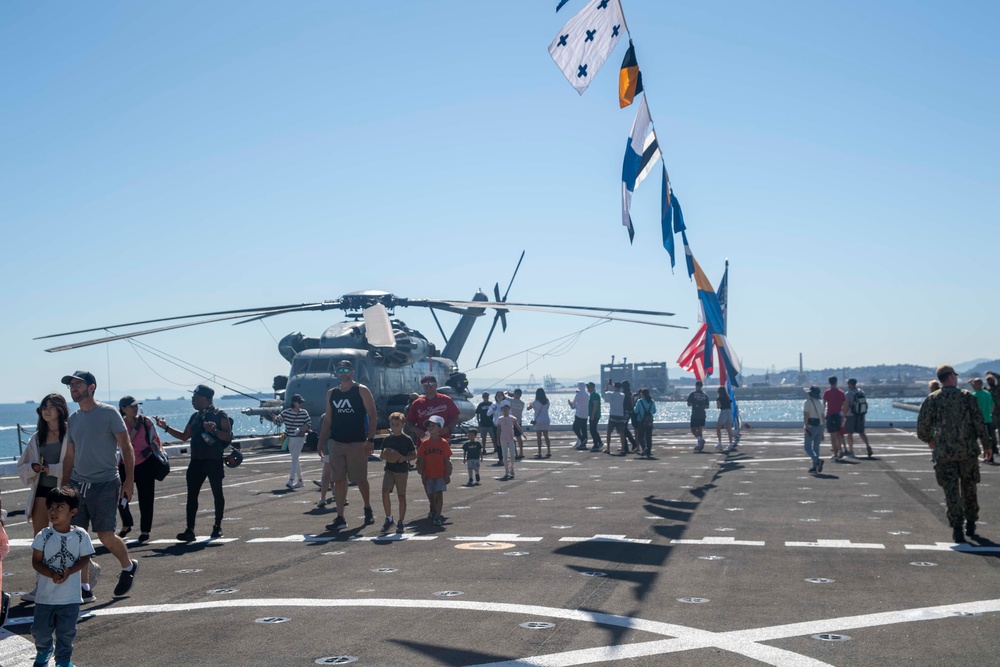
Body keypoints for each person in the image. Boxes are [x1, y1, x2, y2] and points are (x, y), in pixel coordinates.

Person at [60, 371, 138, 601]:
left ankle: (128, 566)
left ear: (91, 387)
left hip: (105, 483)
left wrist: (129, 480)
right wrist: (64, 486)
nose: (73, 388)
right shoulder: (73, 419)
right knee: (77, 536)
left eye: (77, 384)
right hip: (77, 484)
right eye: (71, 385)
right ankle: (84, 587)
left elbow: (127, 447)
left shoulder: (109, 413)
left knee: (105, 535)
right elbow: (70, 455)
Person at [917, 364, 989, 543]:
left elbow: (922, 427)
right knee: (969, 488)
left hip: (944, 454)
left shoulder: (932, 399)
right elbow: (979, 423)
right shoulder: (967, 397)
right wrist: (987, 445)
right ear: (950, 377)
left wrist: (930, 440)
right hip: (967, 453)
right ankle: (971, 523)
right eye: (954, 376)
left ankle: (957, 528)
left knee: (951, 491)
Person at [156, 384, 232, 542]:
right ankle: (189, 530)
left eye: (195, 398)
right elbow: (184, 436)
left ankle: (217, 527)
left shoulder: (220, 415)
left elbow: (228, 437)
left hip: (213, 461)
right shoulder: (195, 417)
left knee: (217, 493)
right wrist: (166, 427)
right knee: (192, 496)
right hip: (196, 462)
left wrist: (214, 431)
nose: (192, 401)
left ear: (205, 399)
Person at [31, 487, 95, 667]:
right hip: (45, 597)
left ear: (73, 511)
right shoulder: (43, 535)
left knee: (66, 632)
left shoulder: (81, 535)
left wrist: (70, 571)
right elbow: (36, 562)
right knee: (40, 631)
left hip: (70, 597)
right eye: (50, 507)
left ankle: (64, 660)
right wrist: (51, 573)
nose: (53, 511)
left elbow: (85, 558)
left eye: (60, 507)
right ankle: (44, 650)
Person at [317, 360, 378, 531]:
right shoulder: (332, 393)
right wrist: (321, 441)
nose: (342, 373)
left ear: (352, 372)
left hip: (357, 443)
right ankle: (340, 517)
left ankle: (367, 508)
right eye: (339, 370)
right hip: (336, 442)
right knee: (338, 480)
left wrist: (370, 439)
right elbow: (328, 419)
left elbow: (373, 416)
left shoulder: (361, 390)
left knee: (360, 479)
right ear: (336, 373)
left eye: (346, 370)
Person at [18, 394, 71, 546]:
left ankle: (86, 568)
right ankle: (42, 569)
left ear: (60, 410)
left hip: (64, 490)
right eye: (44, 407)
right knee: (40, 536)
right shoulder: (36, 437)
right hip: (41, 489)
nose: (46, 411)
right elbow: (22, 466)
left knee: (66, 534)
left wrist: (52, 469)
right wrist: (33, 468)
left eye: (51, 407)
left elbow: (77, 465)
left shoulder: (70, 434)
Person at [116, 396, 163, 542]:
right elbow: (119, 444)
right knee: (120, 496)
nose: (135, 408)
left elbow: (156, 441)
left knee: (146, 498)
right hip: (125, 463)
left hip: (145, 463)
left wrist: (148, 450)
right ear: (123, 409)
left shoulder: (146, 422)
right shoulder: (119, 424)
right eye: (131, 406)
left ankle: (145, 530)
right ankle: (127, 524)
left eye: (136, 406)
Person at [378, 412, 416, 533]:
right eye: (393, 424)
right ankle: (389, 518)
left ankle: (401, 521)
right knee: (384, 492)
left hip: (402, 471)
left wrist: (403, 458)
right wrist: (388, 455)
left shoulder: (407, 439)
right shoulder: (387, 440)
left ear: (403, 425)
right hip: (389, 469)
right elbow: (382, 455)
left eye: (397, 424)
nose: (395, 426)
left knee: (401, 495)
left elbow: (414, 455)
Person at [416, 416, 452, 527]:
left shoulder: (443, 443)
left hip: (440, 474)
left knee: (439, 495)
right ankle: (433, 508)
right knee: (431, 495)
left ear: (439, 429)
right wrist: (422, 474)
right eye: (429, 426)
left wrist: (447, 474)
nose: (430, 427)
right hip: (428, 474)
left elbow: (447, 460)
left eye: (433, 425)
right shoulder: (425, 443)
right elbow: (421, 459)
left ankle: (437, 515)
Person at [276, 394, 311, 489]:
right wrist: (273, 418)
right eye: (299, 402)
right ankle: (300, 480)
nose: (301, 403)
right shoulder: (286, 412)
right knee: (295, 459)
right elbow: (278, 421)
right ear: (294, 403)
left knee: (294, 458)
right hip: (290, 438)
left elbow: (309, 423)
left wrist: (303, 429)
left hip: (300, 438)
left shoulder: (304, 412)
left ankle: (291, 480)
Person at [842, 379, 873, 459]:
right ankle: (868, 446)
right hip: (860, 415)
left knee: (849, 433)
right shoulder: (861, 392)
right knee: (861, 432)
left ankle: (851, 450)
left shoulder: (848, 393)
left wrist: (843, 416)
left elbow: (847, 406)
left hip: (851, 415)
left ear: (849, 384)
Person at [968, 378, 996, 464]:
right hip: (988, 419)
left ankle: (972, 457)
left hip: (978, 421)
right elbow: (992, 407)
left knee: (972, 440)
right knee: (988, 439)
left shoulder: (974, 395)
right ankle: (990, 457)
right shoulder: (987, 393)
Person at [823, 376, 848, 459]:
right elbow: (845, 404)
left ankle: (835, 453)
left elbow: (824, 404)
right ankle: (840, 449)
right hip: (838, 415)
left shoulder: (827, 392)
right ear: (836, 382)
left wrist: (823, 415)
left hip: (830, 414)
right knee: (838, 433)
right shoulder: (841, 392)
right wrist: (842, 412)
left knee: (832, 435)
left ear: (829, 382)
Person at [803, 386, 825, 474]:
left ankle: (817, 460)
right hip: (820, 426)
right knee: (816, 447)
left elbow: (805, 415)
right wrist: (823, 431)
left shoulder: (807, 402)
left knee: (807, 447)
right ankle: (814, 466)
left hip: (811, 426)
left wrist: (806, 426)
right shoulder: (820, 403)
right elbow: (823, 418)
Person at [603, 380, 629, 455]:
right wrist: (613, 385)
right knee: (621, 433)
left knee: (609, 433)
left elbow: (605, 391)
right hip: (620, 415)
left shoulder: (610, 394)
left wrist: (608, 384)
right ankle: (623, 449)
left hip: (612, 415)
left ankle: (608, 449)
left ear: (614, 387)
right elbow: (617, 389)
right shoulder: (622, 395)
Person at [495, 401, 519, 480]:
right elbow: (498, 429)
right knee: (505, 456)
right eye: (504, 408)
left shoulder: (512, 418)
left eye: (507, 408)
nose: (505, 409)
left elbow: (517, 426)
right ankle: (506, 471)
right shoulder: (500, 419)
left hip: (511, 437)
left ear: (509, 409)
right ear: (502, 409)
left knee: (512, 454)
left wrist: (522, 433)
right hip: (503, 438)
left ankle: (511, 466)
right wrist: (497, 438)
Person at [632, 388, 656, 458]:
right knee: (649, 437)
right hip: (649, 421)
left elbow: (636, 411)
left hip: (641, 421)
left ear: (642, 394)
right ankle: (648, 451)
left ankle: (644, 447)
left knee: (640, 436)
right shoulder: (652, 401)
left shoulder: (640, 401)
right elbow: (654, 411)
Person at [486, 390, 508, 465]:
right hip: (496, 425)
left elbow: (510, 413)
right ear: (495, 397)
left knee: (505, 441)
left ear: (503, 396)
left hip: (504, 425)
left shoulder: (506, 403)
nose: (499, 397)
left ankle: (505, 457)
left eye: (500, 395)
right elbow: (488, 414)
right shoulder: (494, 404)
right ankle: (500, 458)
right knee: (498, 442)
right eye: (497, 395)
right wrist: (493, 409)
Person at [528, 388, 551, 458]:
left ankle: (539, 452)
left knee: (539, 437)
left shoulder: (536, 401)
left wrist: (530, 403)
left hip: (538, 420)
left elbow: (528, 408)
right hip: (546, 419)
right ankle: (548, 451)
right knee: (546, 436)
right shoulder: (547, 401)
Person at [687, 381, 709, 452]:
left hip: (695, 414)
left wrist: (695, 403)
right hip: (702, 414)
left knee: (693, 430)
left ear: (696, 386)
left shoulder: (692, 394)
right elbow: (707, 406)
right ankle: (699, 445)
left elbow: (689, 404)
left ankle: (700, 440)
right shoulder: (705, 395)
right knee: (700, 430)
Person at [620, 381, 639, 453]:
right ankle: (631, 443)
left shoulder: (624, 394)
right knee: (624, 428)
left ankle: (626, 446)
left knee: (623, 428)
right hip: (630, 412)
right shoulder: (630, 393)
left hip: (626, 412)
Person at [569, 382, 590, 450]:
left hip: (579, 414)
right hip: (585, 414)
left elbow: (574, 405)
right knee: (584, 429)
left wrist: (570, 404)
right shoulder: (587, 394)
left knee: (575, 428)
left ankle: (582, 439)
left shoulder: (578, 395)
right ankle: (584, 443)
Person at [715, 387, 735, 451]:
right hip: (729, 412)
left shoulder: (719, 398)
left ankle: (720, 443)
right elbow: (731, 407)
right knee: (729, 429)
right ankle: (730, 444)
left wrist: (718, 406)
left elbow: (719, 406)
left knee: (718, 428)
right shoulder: (728, 398)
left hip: (723, 412)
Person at [986, 373, 1000, 465]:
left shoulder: (997, 389)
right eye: (988, 381)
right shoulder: (987, 391)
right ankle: (994, 450)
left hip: (999, 414)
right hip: (992, 416)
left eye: (991, 380)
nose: (990, 382)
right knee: (992, 435)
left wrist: (991, 373)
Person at [509, 388, 526, 460]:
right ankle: (521, 452)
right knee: (519, 437)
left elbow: (503, 394)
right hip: (518, 421)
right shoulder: (522, 403)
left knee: (512, 438)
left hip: (512, 421)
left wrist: (510, 394)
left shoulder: (510, 400)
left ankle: (515, 453)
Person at [586, 382, 604, 453]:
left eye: (589, 387)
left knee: (592, 429)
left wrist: (593, 415)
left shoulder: (595, 395)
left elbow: (595, 405)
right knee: (593, 429)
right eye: (587, 387)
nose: (588, 388)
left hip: (595, 415)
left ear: (593, 387)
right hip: (592, 414)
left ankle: (597, 443)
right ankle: (598, 442)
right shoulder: (592, 395)